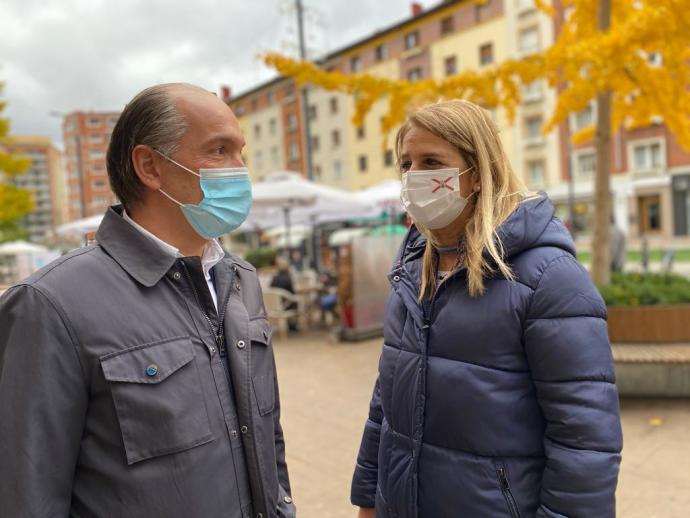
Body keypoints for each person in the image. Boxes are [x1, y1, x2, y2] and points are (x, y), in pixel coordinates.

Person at [0, 83, 295, 518]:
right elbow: (26, 494)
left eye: (240, 152)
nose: (240, 168)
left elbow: (267, 436)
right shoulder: (49, 305)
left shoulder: (241, 279)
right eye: (219, 150)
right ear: (150, 166)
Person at [351, 100, 622, 518]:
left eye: (432, 161)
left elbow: (585, 440)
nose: (414, 176)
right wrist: (369, 497)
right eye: (406, 164)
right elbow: (384, 402)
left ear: (476, 173)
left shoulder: (549, 278)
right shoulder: (411, 271)